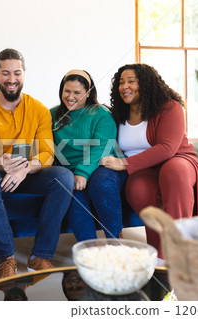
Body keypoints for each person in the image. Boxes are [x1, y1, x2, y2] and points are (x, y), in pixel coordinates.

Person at [0, 48, 74, 279]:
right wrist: (3, 164)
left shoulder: (38, 109)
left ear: (24, 74)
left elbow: (47, 153)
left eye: (17, 73)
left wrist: (24, 169)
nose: (11, 79)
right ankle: (7, 258)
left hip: (30, 173)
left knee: (64, 177)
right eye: (5, 73)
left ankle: (40, 256)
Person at [100, 63, 198, 257]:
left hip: (180, 159)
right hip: (144, 168)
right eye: (121, 82)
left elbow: (167, 148)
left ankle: (175, 251)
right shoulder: (119, 113)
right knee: (137, 188)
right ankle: (160, 253)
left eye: (131, 81)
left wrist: (124, 164)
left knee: (173, 171)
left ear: (146, 84)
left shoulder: (170, 107)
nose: (124, 87)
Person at [50, 69, 126, 241]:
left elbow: (102, 147)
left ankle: (116, 242)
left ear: (88, 92)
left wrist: (82, 172)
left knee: (101, 182)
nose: (70, 97)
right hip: (71, 170)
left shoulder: (101, 113)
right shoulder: (52, 114)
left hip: (104, 164)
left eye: (77, 92)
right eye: (67, 91)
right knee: (72, 194)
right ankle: (89, 251)